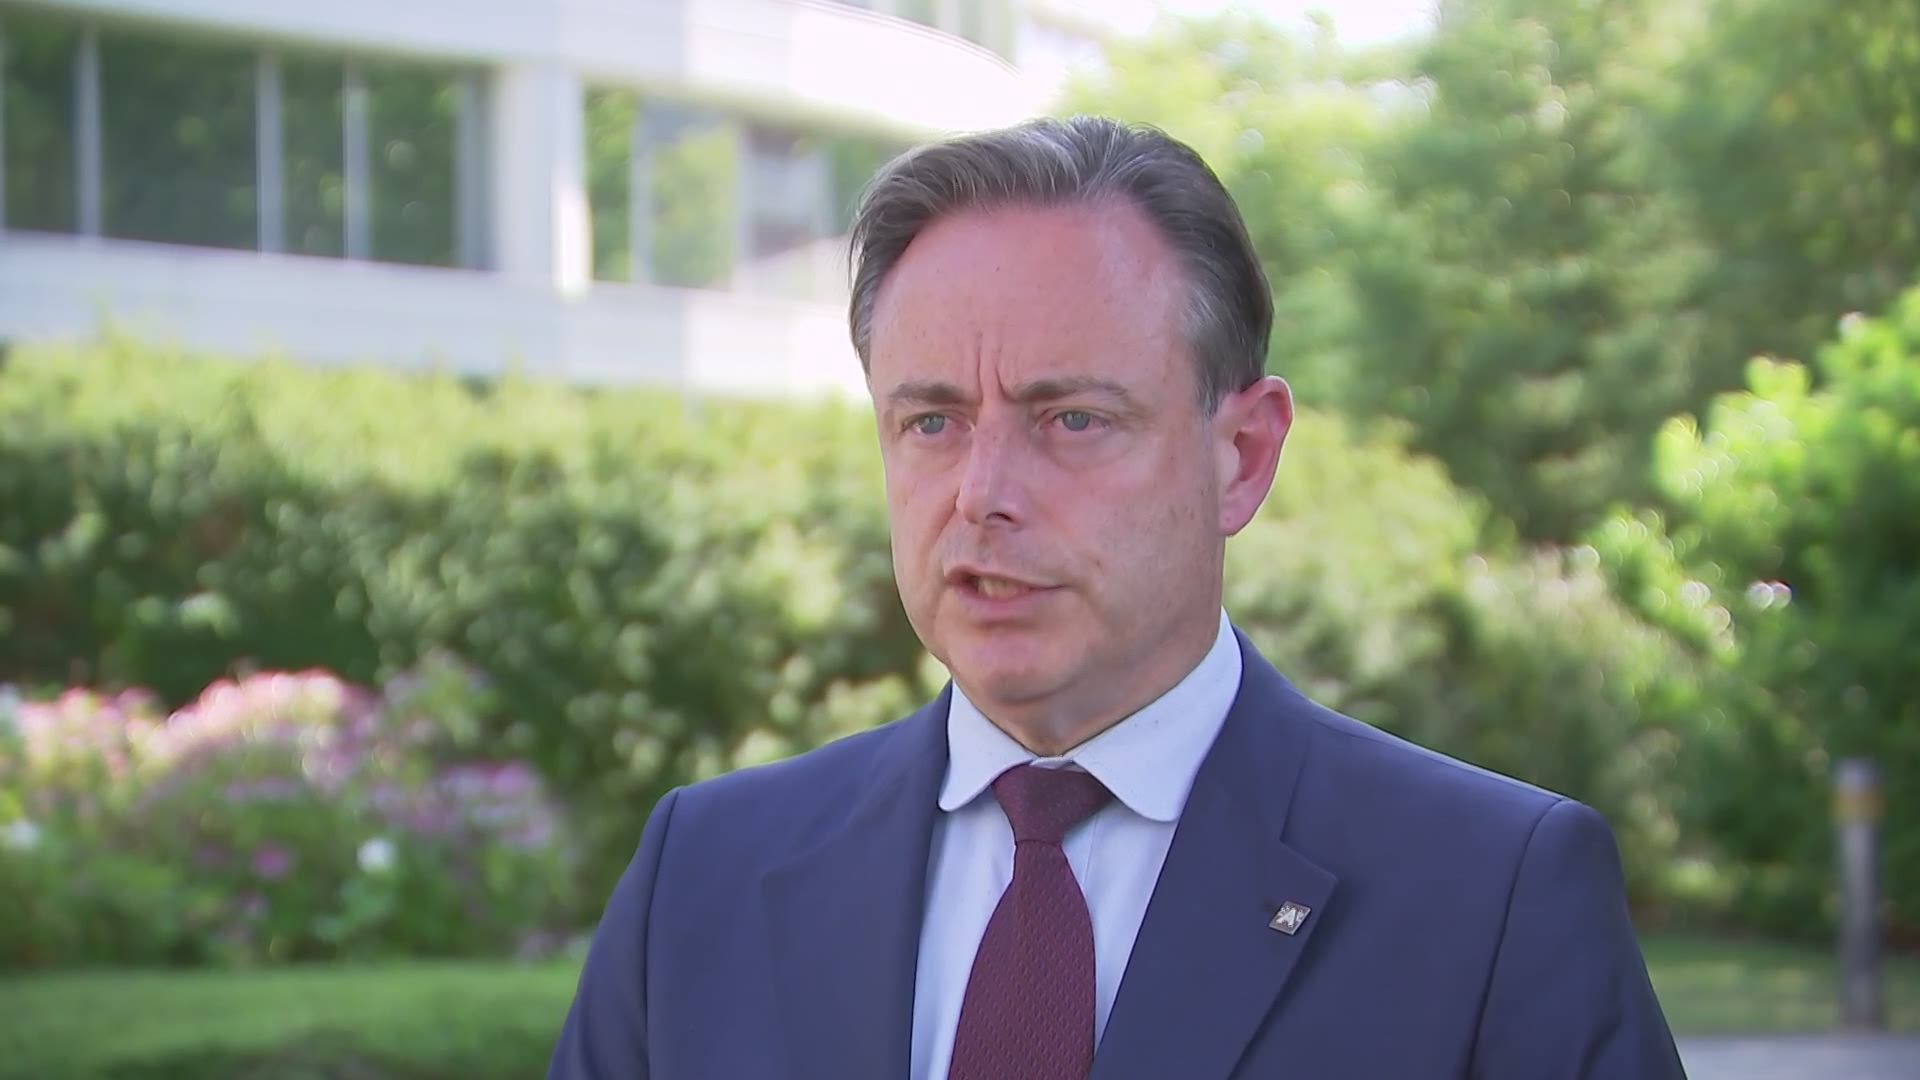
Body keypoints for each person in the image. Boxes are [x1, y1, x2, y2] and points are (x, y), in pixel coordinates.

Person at [547, 116, 1686, 1080]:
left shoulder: (1491, 898)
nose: (982, 495)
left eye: (1073, 419)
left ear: (1242, 456)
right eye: (933, 421)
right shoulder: (703, 876)